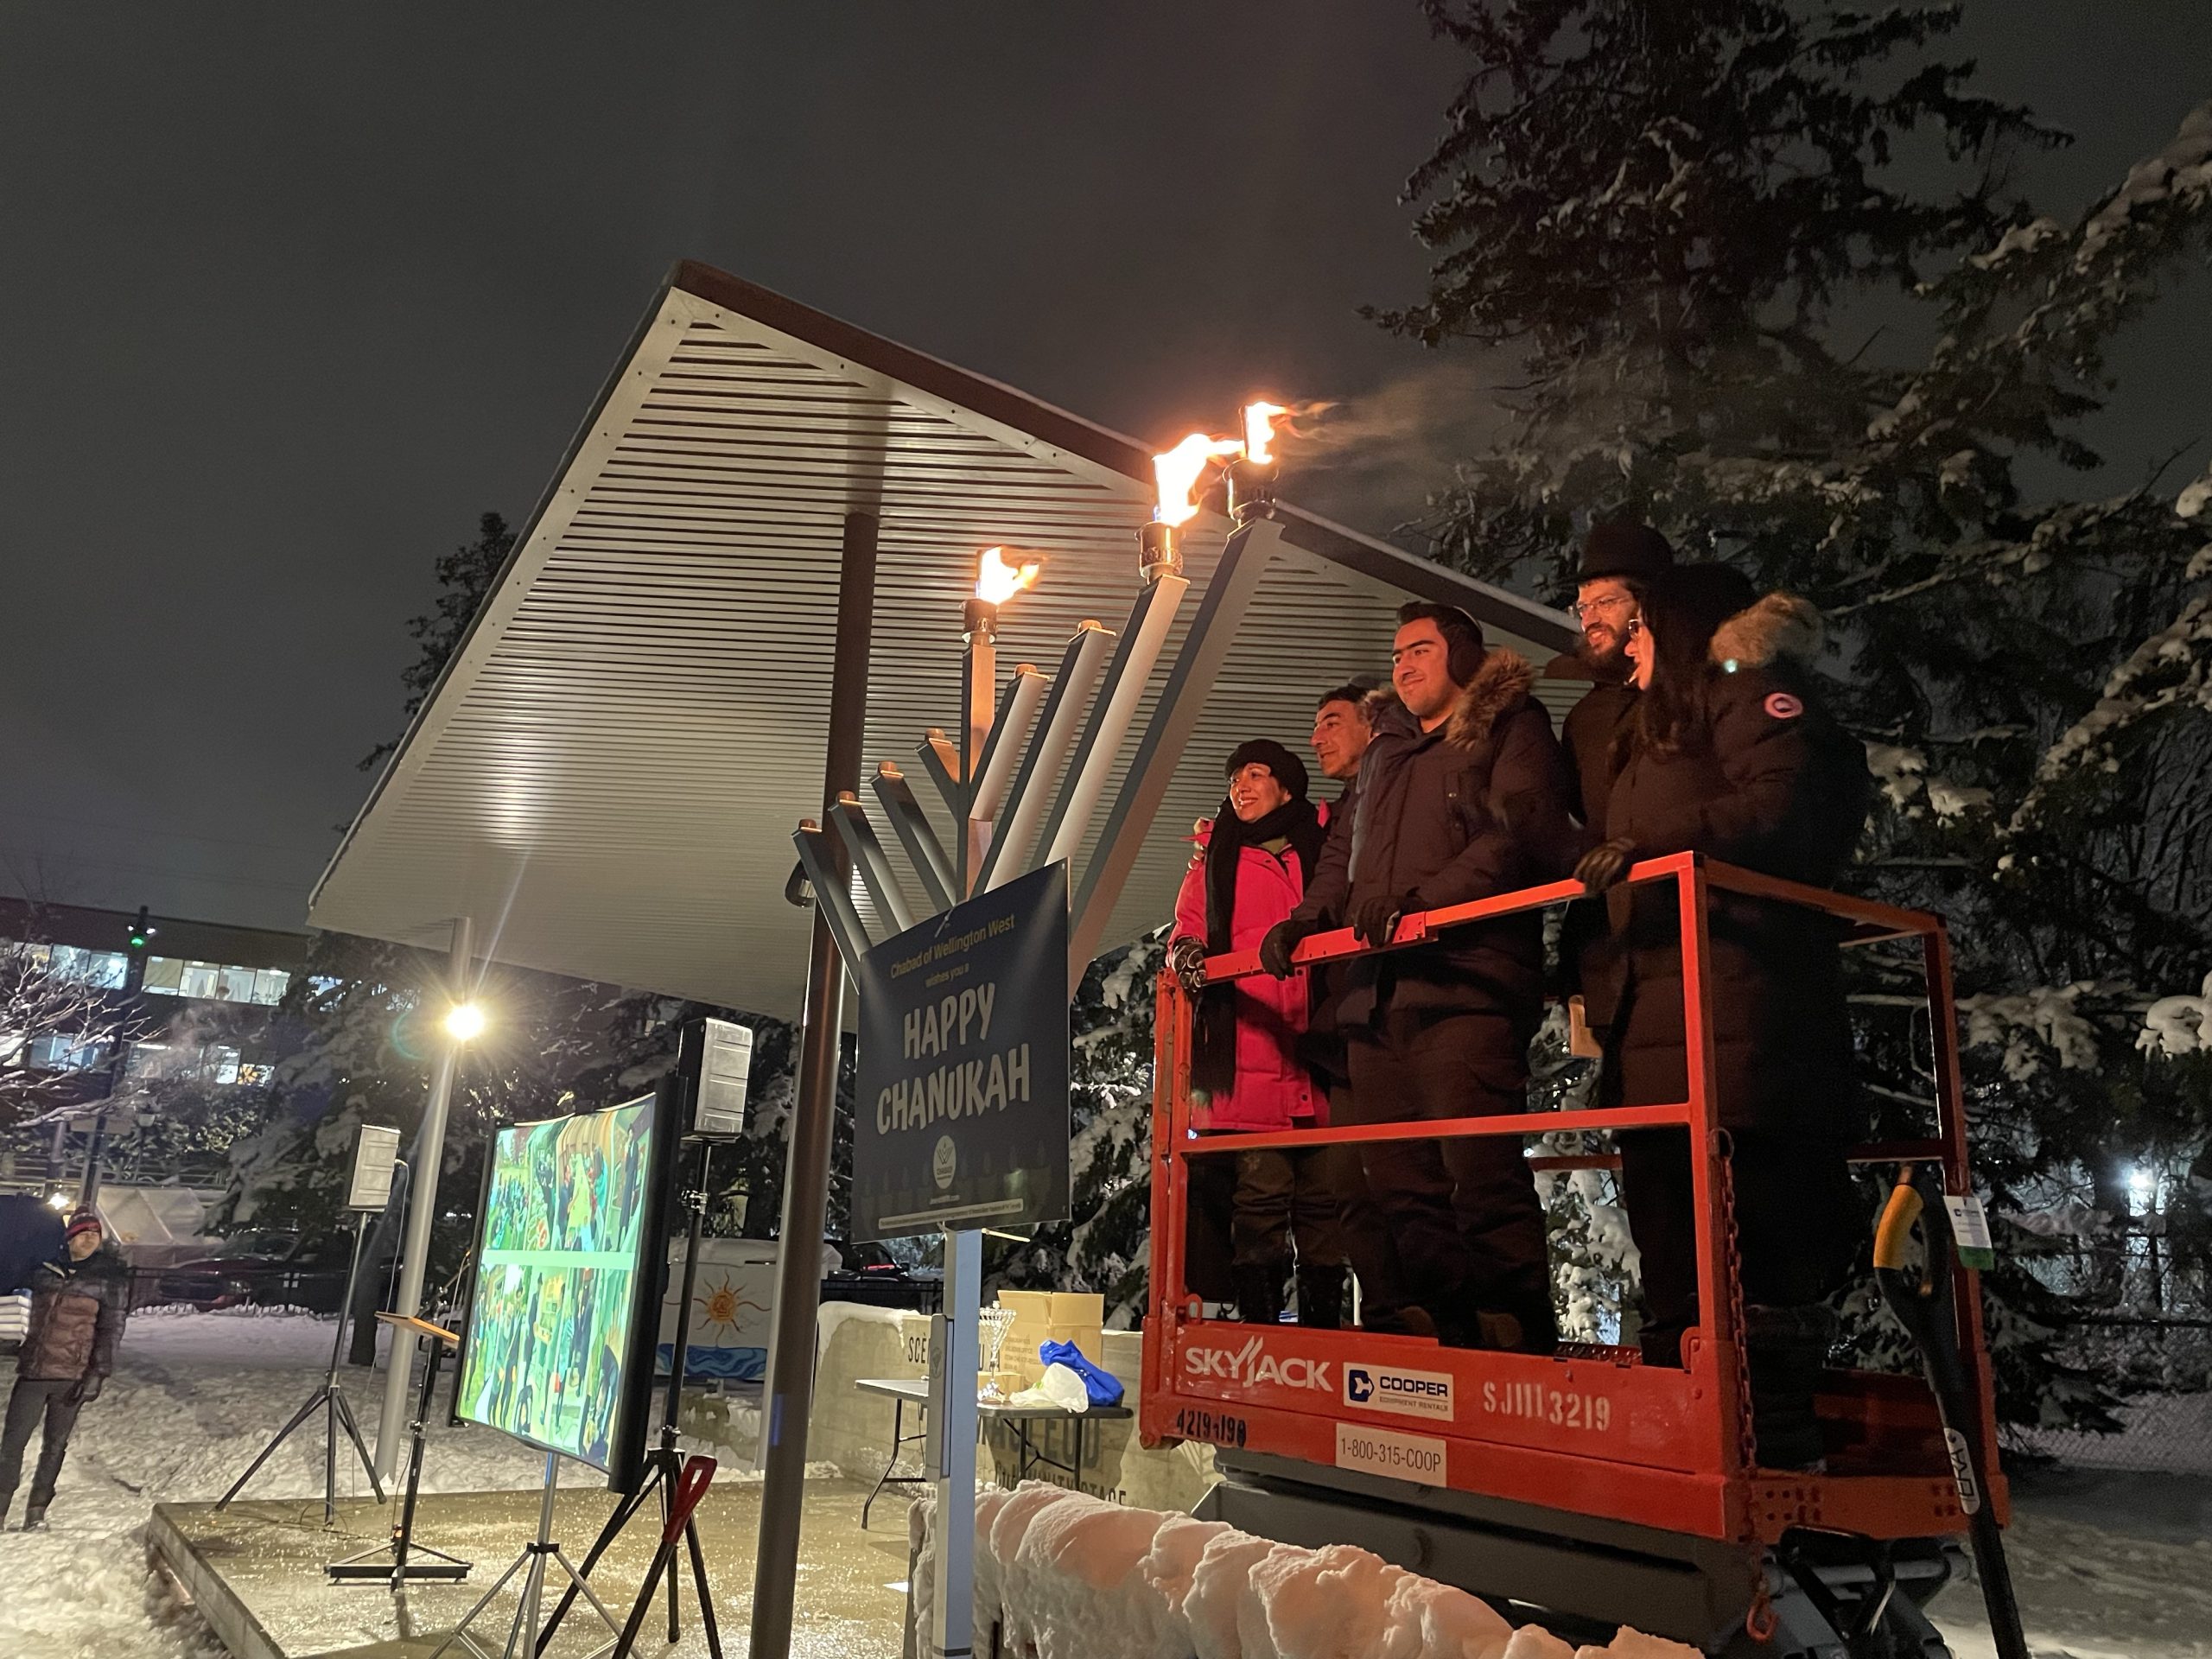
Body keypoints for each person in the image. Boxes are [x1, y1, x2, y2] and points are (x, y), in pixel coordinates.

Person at [1574, 563, 1873, 1468]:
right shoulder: (1658, 728)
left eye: (1642, 626)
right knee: (1670, 1220)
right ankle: (1683, 1416)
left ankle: (1770, 1430)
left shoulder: (1750, 695)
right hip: (1658, 1017)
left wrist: (1649, 848)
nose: (1628, 642)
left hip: (1742, 1011)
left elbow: (1785, 812)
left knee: (1752, 1216)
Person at [1264, 603, 1577, 1351]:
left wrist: (1421, 904)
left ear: (1462, 658)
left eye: (1420, 651)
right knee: (1401, 1180)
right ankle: (1453, 1325)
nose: (1403, 666)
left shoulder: (1512, 724)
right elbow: (1345, 851)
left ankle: (1519, 1328)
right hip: (1378, 995)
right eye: (1396, 654)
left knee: (1480, 1171)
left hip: (1466, 982)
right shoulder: (1384, 752)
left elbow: (1513, 838)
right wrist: (1309, 916)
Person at [1166, 740, 1338, 1326]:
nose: (1241, 784)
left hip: (1322, 1051)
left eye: (1256, 774)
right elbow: (1187, 926)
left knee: (1325, 1202)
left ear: (1287, 786)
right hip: (1250, 1049)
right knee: (1260, 1199)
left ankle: (1323, 1330)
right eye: (1235, 775)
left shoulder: (1324, 846)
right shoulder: (1215, 856)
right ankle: (1263, 1330)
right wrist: (1187, 951)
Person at [1295, 679, 1413, 1330]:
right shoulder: (1342, 812)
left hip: (1399, 1005)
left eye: (1331, 721)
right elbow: (1329, 883)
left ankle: (1439, 1315)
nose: (1318, 738)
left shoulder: (1401, 794)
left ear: (1374, 727)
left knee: (1405, 1174)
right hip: (1349, 1016)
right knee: (1350, 1184)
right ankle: (1392, 1312)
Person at [1, 1209, 129, 1529]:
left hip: (72, 1377)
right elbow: (18, 1310)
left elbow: (111, 1331)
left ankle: (37, 1512)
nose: (89, 1239)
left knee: (54, 1447)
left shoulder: (107, 1279)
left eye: (95, 1235)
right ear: (70, 1237)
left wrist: (98, 1374)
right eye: (83, 1233)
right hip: (33, 1372)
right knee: (11, 1445)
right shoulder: (42, 1272)